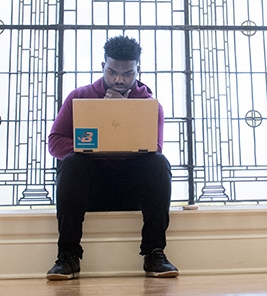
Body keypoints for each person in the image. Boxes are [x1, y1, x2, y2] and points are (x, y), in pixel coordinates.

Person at [46, 35, 178, 280]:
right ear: (102, 67)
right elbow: (54, 143)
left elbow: (155, 147)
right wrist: (89, 146)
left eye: (128, 73)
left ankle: (154, 253)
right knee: (73, 163)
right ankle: (67, 256)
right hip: (89, 189)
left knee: (159, 163)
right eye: (112, 72)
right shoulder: (80, 97)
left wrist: (123, 111)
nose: (119, 79)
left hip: (131, 190)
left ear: (138, 69)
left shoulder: (150, 105)